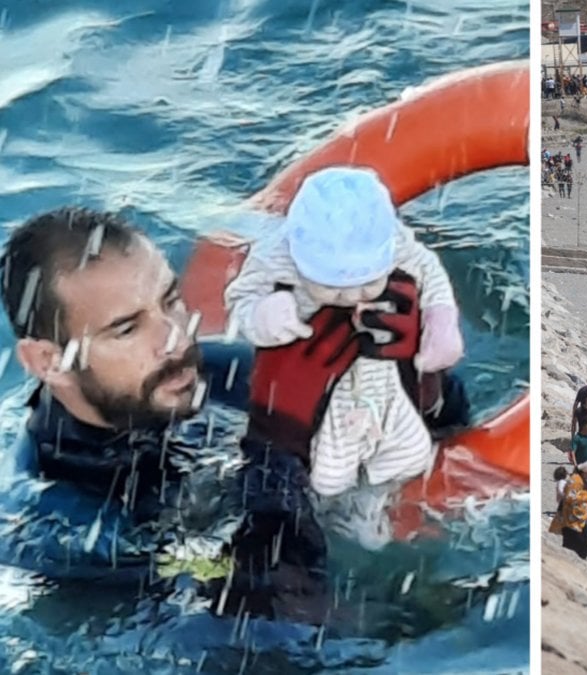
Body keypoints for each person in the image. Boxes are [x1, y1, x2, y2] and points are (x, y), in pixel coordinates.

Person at [0, 208, 464, 622]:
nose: (176, 340)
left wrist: (416, 378)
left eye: (170, 301)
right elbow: (275, 622)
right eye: (126, 329)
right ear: (47, 361)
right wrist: (279, 441)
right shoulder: (62, 526)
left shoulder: (214, 374)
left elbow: (443, 434)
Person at [225, 166, 462, 506]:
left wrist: (441, 323)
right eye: (333, 288)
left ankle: (406, 495)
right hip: (319, 389)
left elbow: (430, 272)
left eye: (368, 283)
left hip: (385, 380)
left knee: (408, 450)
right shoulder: (276, 256)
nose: (353, 297)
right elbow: (242, 297)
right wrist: (264, 315)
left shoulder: (395, 243)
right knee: (326, 477)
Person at [560, 462, 587, 559]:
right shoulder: (575, 481)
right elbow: (570, 497)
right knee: (574, 546)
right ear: (585, 472)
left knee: (582, 547)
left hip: (580, 517)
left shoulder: (584, 482)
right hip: (572, 518)